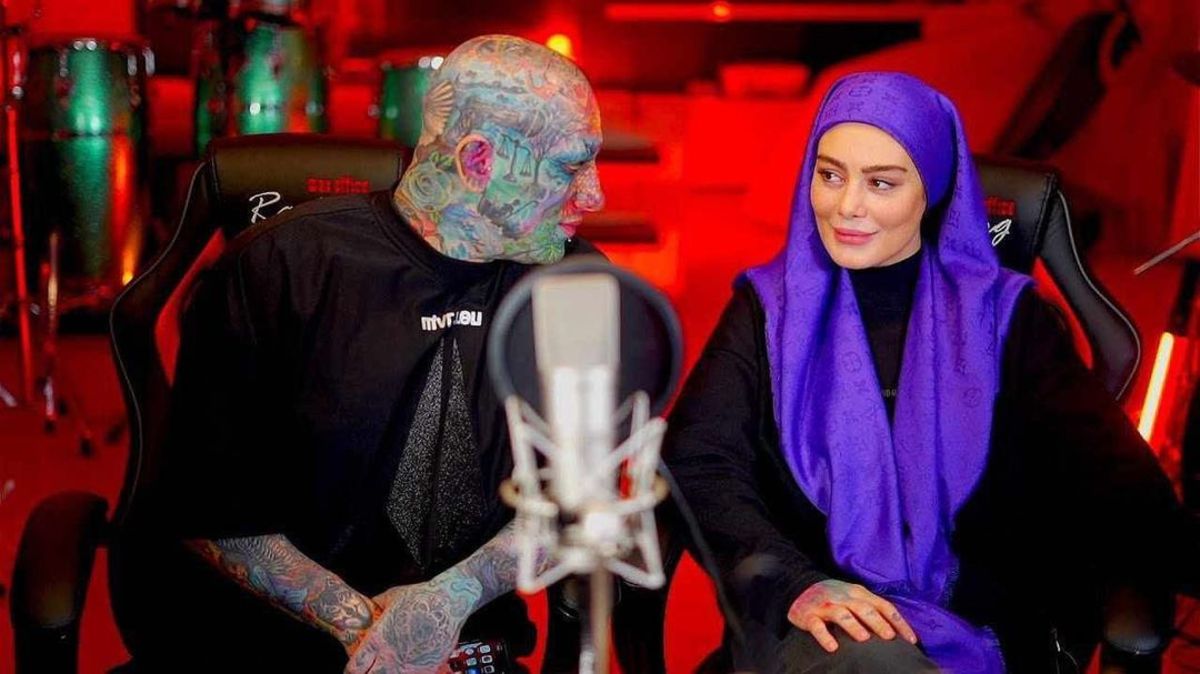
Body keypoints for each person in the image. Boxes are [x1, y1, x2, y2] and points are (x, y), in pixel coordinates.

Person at [664, 71, 1189, 673]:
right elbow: (698, 461)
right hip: (813, 630)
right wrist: (793, 583)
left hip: (979, 626)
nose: (847, 206)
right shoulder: (767, 308)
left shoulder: (1005, 318)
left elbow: (1123, 488)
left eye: (881, 183)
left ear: (931, 193)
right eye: (830, 175)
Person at [132, 35, 605, 672]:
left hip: (466, 650)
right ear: (479, 161)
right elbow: (212, 511)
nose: (595, 195)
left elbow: (577, 495)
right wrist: (369, 632)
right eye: (571, 168)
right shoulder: (281, 269)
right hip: (279, 648)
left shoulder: (576, 284)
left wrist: (446, 602)